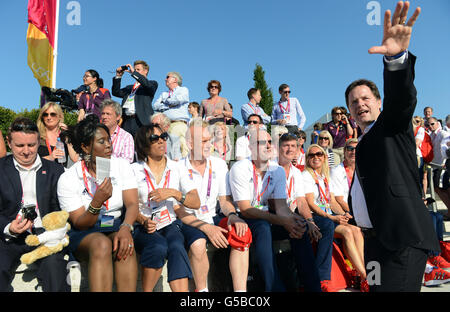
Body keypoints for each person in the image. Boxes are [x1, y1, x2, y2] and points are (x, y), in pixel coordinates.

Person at [346, 1, 440, 292]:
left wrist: (397, 59)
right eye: (354, 102)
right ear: (349, 113)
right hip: (373, 245)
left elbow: (402, 99)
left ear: (378, 102)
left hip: (402, 240)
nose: (360, 104)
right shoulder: (359, 143)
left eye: (365, 98)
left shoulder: (391, 126)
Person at [57, 116, 139, 292]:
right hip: (86, 231)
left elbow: (132, 204)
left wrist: (126, 228)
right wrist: (96, 202)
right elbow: (79, 222)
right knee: (101, 243)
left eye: (109, 139)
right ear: (86, 147)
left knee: (124, 244)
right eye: (102, 141)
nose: (109, 145)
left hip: (116, 225)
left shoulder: (122, 166)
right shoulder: (69, 178)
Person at [229, 127, 309, 291]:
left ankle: (312, 286)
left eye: (270, 142)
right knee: (263, 227)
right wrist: (283, 221)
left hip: (267, 217)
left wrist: (294, 221)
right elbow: (245, 209)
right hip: (244, 218)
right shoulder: (240, 167)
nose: (267, 146)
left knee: (302, 228)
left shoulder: (277, 170)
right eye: (261, 143)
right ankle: (273, 287)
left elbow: (281, 207)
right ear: (251, 148)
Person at [179, 119, 251, 292]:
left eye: (209, 140)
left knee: (241, 231)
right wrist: (207, 228)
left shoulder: (218, 164)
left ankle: (240, 293)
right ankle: (202, 291)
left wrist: (233, 216)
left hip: (213, 216)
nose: (208, 144)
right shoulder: (178, 167)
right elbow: (180, 212)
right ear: (190, 144)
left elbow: (225, 200)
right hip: (190, 219)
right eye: (203, 141)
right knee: (198, 244)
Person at [0, 117, 69, 292]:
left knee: (55, 267)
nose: (26, 151)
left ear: (39, 142)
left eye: (31, 145)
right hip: (8, 239)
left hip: (45, 236)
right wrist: (8, 227)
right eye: (19, 146)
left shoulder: (56, 171)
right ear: (9, 143)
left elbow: (61, 209)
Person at [131, 123, 200, 292]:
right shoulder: (134, 170)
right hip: (143, 225)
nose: (161, 141)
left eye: (164, 137)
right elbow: (130, 205)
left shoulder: (177, 168)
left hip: (170, 223)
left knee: (176, 246)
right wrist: (143, 220)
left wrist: (174, 193)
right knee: (158, 246)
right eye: (155, 138)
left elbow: (195, 201)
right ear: (143, 144)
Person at [277, 133, 322, 291]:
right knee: (300, 228)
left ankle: (315, 283)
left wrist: (310, 221)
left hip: (290, 215)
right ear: (279, 148)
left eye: (293, 146)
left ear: (298, 150)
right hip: (273, 217)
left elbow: (301, 201)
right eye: (285, 145)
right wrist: (302, 221)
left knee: (317, 226)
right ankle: (310, 286)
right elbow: (275, 205)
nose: (289, 149)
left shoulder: (296, 172)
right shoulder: (272, 169)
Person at [302, 144, 348, 291]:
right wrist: (332, 217)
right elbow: (309, 203)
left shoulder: (325, 177)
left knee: (354, 229)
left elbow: (332, 202)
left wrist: (344, 215)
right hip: (314, 215)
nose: (315, 157)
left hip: (328, 214)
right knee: (330, 225)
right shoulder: (306, 175)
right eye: (312, 155)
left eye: (319, 154)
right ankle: (321, 278)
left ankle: (361, 273)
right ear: (307, 159)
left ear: (324, 158)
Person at [329, 139, 367, 287]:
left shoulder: (363, 168)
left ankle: (364, 273)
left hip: (360, 212)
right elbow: (338, 199)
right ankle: (364, 274)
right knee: (356, 230)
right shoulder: (337, 170)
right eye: (349, 149)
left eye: (356, 149)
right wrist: (352, 213)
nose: (353, 152)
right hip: (346, 212)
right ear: (344, 152)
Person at [112, 60, 158, 137]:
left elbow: (147, 85)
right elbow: (116, 92)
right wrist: (118, 76)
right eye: (135, 69)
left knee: (140, 147)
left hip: (141, 121)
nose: (135, 71)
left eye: (138, 70)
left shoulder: (152, 84)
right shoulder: (129, 87)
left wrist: (134, 73)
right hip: (127, 121)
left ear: (145, 71)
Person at [153, 72, 190, 157]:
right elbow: (155, 106)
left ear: (175, 79)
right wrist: (169, 104)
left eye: (168, 77)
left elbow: (178, 100)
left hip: (179, 124)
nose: (165, 79)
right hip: (165, 126)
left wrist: (165, 101)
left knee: (183, 150)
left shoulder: (183, 90)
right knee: (169, 151)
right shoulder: (164, 94)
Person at [36, 102, 78, 167]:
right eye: (45, 114)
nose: (49, 117)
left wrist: (68, 137)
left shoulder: (64, 136)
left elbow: (75, 159)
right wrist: (50, 157)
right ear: (42, 117)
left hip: (61, 175)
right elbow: (29, 161)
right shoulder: (36, 136)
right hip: (43, 175)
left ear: (59, 116)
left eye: (52, 114)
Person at [100, 99, 134, 163]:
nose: (104, 117)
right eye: (103, 113)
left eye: (108, 114)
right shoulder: (96, 134)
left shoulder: (126, 137)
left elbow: (127, 162)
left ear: (118, 117)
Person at [429, 117, 450, 212]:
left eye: (432, 124)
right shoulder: (432, 135)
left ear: (437, 123)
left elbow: (446, 148)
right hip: (435, 165)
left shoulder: (443, 133)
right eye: (428, 124)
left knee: (441, 188)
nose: (430, 126)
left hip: (442, 165)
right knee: (440, 188)